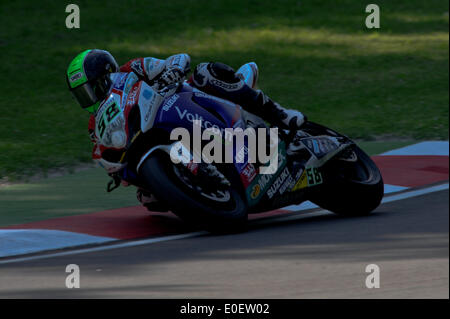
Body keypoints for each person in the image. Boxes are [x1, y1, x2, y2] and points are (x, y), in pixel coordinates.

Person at [66, 49, 306, 211]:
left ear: (106, 73)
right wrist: (116, 170)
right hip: (154, 139)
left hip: (184, 101)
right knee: (150, 200)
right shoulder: (94, 124)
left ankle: (280, 114)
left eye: (91, 88)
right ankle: (196, 187)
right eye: (82, 94)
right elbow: (103, 148)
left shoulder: (132, 69)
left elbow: (179, 58)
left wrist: (171, 71)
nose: (88, 98)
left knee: (206, 73)